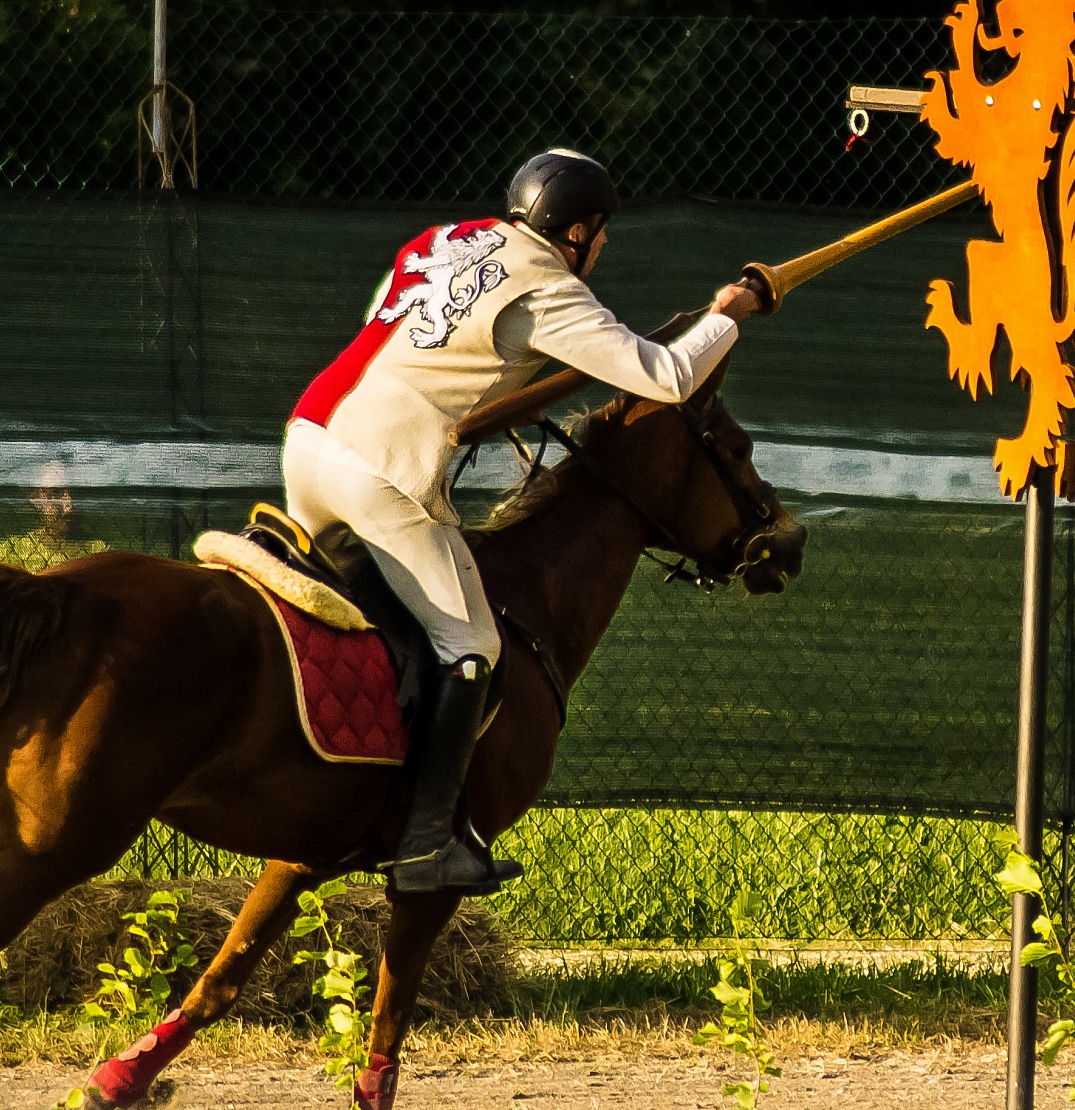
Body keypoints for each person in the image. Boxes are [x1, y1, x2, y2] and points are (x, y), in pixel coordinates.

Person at [284, 149, 761, 895]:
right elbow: (666, 378)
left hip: (308, 442)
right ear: (577, 230)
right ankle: (425, 844)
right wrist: (727, 316)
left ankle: (344, 782)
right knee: (471, 642)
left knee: (367, 626)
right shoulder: (549, 284)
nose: (600, 250)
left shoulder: (440, 241)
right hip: (376, 474)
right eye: (599, 236)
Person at [0, 461, 108, 573]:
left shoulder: (97, 552)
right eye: (56, 493)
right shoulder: (12, 553)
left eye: (76, 493)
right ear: (35, 498)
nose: (69, 506)